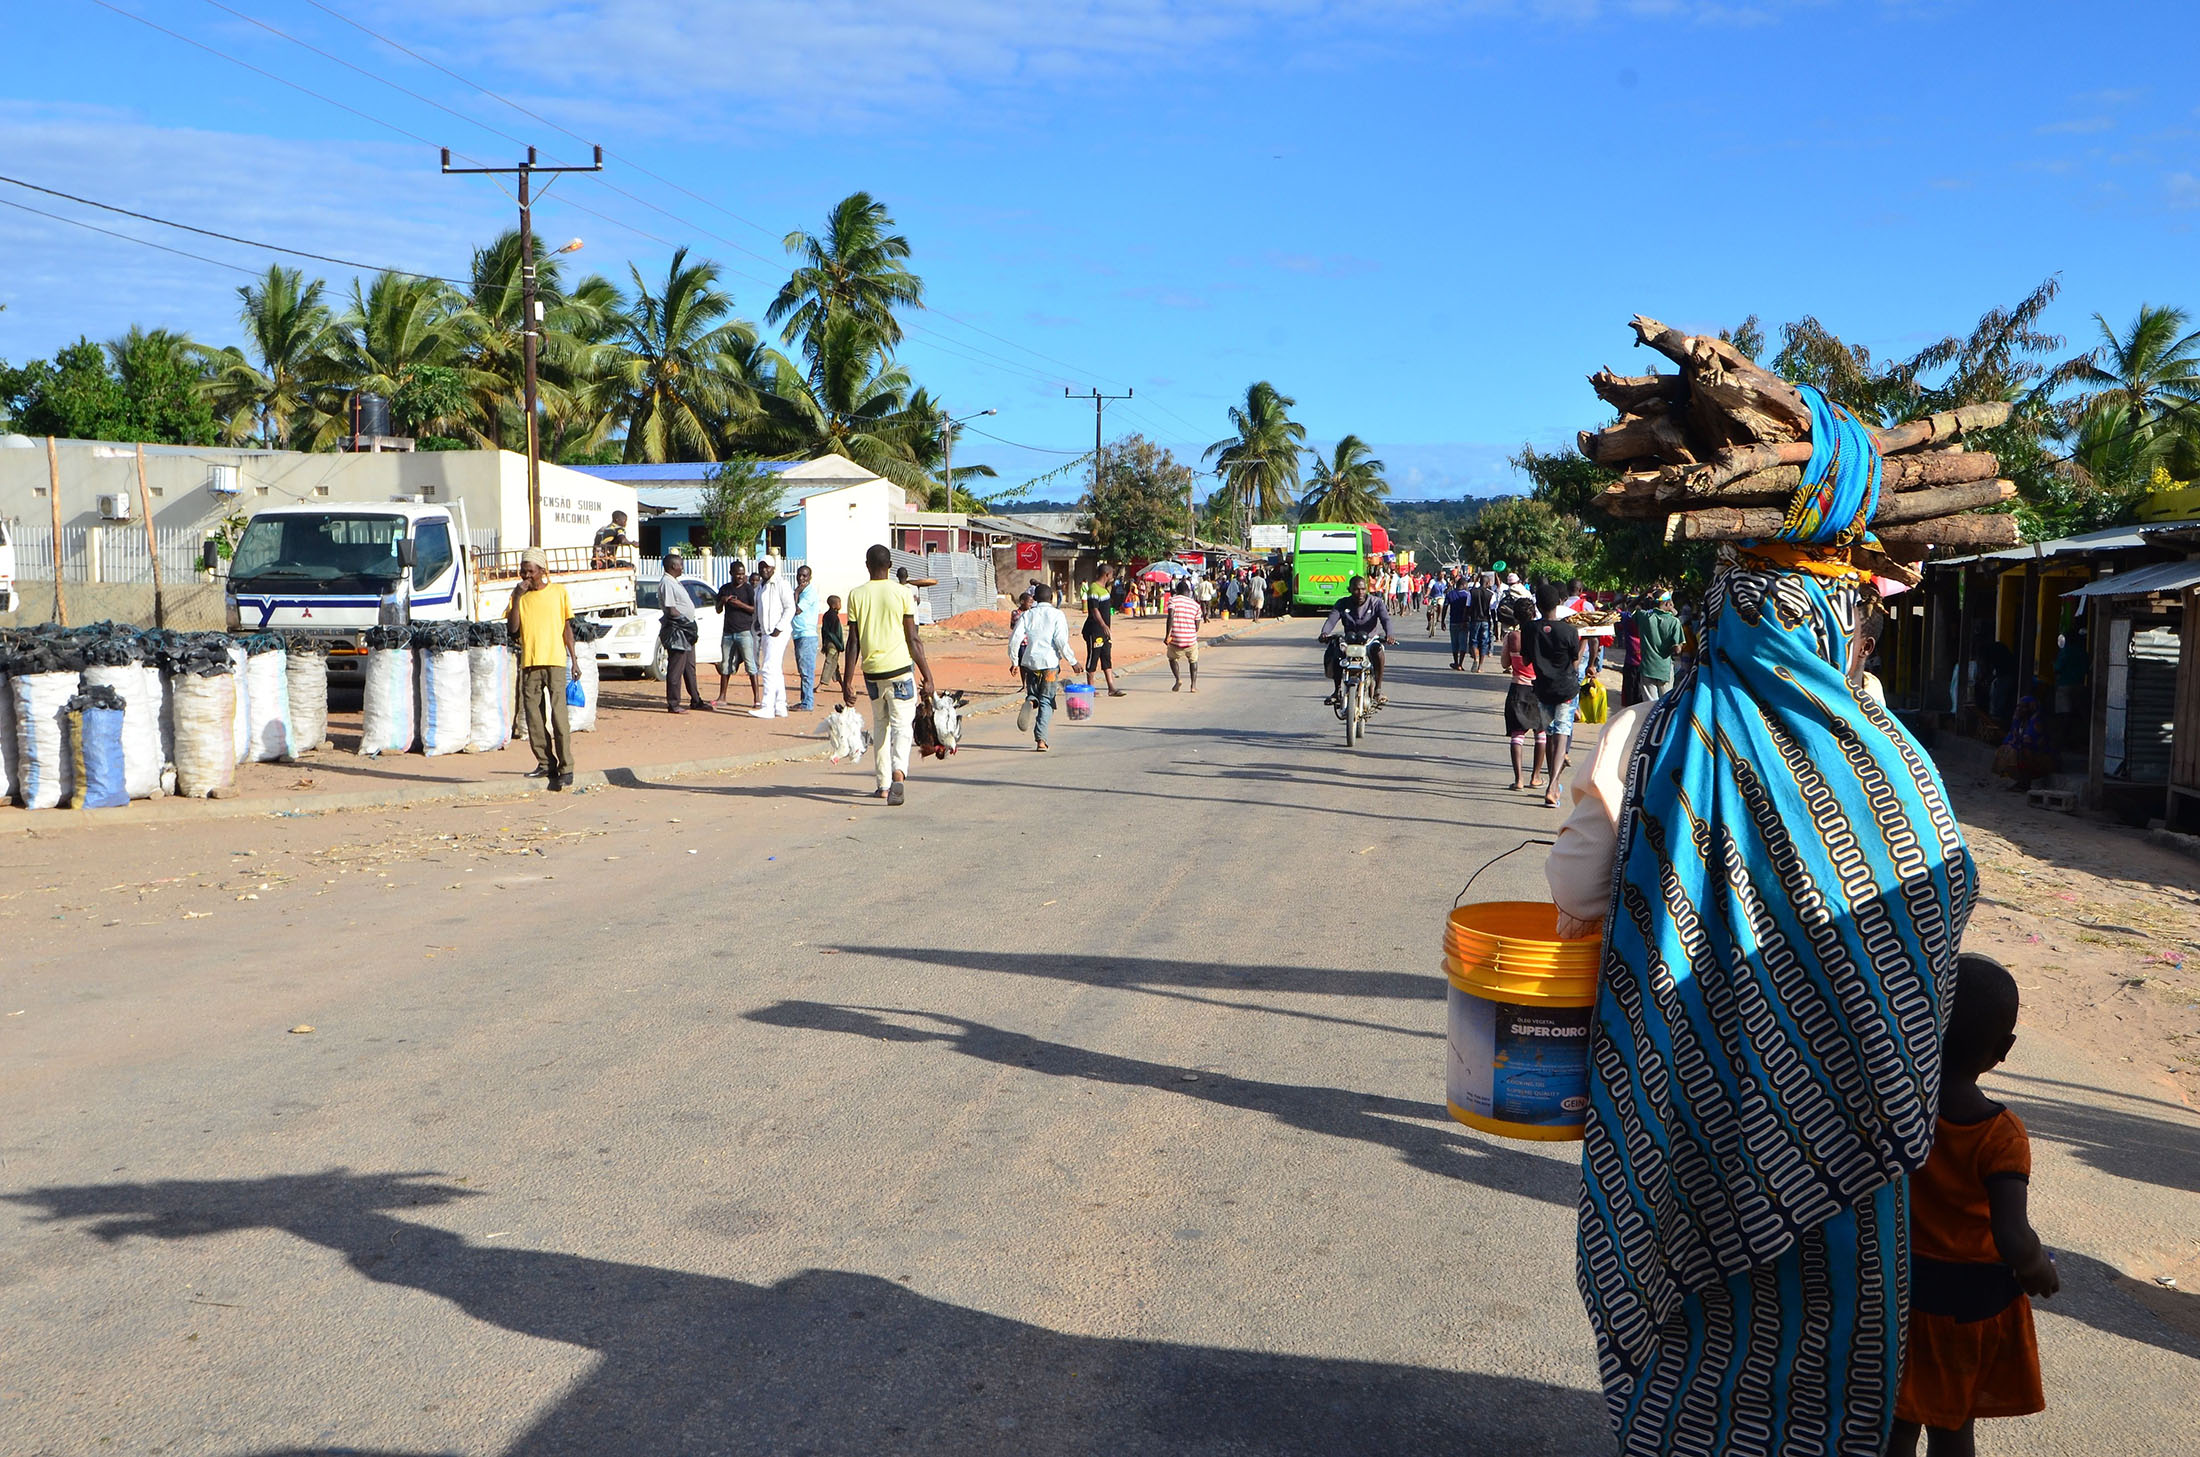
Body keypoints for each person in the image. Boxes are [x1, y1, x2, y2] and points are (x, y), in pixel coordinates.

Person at [1543, 391, 1977, 1457]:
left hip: (1672, 1096)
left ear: (1724, 609)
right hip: (1846, 1125)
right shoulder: (1893, 751)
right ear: (1837, 622)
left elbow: (1576, 895)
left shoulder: (1647, 736)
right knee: (1828, 1335)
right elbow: (1941, 900)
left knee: (1683, 1315)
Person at [1890, 953, 2056, 1457]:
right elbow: (2011, 1234)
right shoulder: (1999, 1134)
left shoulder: (1901, 1106)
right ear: (2002, 1049)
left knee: (1896, 1423)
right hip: (1969, 1302)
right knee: (1953, 1425)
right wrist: (2036, 1268)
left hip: (1901, 1292)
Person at [842, 544, 936, 806]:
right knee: (902, 726)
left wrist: (847, 681)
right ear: (891, 565)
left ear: (867, 565)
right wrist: (928, 675)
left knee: (880, 725)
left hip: (872, 673)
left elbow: (853, 642)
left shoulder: (856, 595)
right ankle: (898, 775)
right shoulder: (902, 593)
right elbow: (913, 639)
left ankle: (883, 785)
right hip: (900, 671)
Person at [506, 547, 577, 790]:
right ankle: (546, 763)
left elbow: (567, 628)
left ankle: (567, 768)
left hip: (555, 661)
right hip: (530, 663)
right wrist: (516, 598)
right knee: (534, 718)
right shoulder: (519, 597)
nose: (526, 576)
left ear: (542, 571)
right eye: (523, 571)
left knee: (559, 717)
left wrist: (574, 659)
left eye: (530, 571)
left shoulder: (558, 592)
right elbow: (513, 629)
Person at [1524, 581, 1581, 808]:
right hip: (1565, 689)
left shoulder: (1529, 629)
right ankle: (1553, 784)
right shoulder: (1569, 631)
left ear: (1537, 605)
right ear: (1559, 602)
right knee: (1562, 734)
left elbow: (1527, 660)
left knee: (1548, 734)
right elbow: (1575, 662)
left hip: (1543, 689)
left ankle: (1552, 783)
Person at [1007, 581, 1076, 750]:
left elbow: (1015, 639)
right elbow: (1060, 640)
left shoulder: (1027, 615)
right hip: (1050, 665)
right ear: (1051, 598)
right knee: (1046, 699)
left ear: (1035, 599)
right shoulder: (1057, 615)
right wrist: (1073, 661)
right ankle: (1041, 740)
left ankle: (1030, 702)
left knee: (1033, 694)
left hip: (1030, 664)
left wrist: (1014, 661)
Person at [1319, 574, 1395, 707]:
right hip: (1349, 641)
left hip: (1370, 640)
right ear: (1350, 590)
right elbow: (1332, 619)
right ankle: (1337, 691)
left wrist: (1389, 634)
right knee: (1336, 653)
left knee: (1379, 653)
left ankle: (1378, 690)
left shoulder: (1376, 602)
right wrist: (1325, 633)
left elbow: (1385, 620)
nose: (1360, 593)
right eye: (1356, 589)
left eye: (1363, 589)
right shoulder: (1342, 603)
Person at [1500, 597, 1547, 791]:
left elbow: (1505, 664)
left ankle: (1518, 780)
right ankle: (1535, 777)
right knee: (1541, 733)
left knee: (1517, 734)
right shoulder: (1542, 635)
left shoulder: (1512, 637)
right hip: (1539, 689)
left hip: (1518, 688)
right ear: (1534, 613)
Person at [658, 551, 710, 714]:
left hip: (685, 631)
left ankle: (696, 700)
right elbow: (671, 609)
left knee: (689, 667)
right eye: (680, 564)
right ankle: (673, 703)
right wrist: (686, 623)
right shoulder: (667, 583)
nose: (682, 567)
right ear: (673, 566)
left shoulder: (675, 582)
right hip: (677, 630)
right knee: (676, 668)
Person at [748, 558, 795, 719]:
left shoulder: (781, 584)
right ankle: (781, 705)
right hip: (766, 631)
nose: (764, 570)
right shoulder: (760, 587)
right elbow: (758, 609)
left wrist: (779, 627)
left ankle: (767, 706)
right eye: (761, 567)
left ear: (773, 568)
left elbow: (790, 608)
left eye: (767, 567)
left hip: (777, 632)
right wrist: (756, 624)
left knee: (768, 668)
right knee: (775, 669)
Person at [714, 561, 759, 709]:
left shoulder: (748, 590)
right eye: (737, 574)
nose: (740, 577)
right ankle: (722, 696)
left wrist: (740, 604)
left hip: (744, 632)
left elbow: (754, 610)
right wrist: (723, 601)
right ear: (731, 573)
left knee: (750, 665)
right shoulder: (725, 589)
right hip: (728, 632)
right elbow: (718, 610)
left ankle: (756, 699)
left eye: (742, 574)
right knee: (725, 665)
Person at [1992, 695, 2056, 792]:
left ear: (2029, 708)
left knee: (2022, 752)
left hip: (2043, 758)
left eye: (2022, 707)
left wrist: (2015, 744)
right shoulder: (2020, 722)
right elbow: (2009, 739)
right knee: (2005, 749)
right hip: (2028, 754)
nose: (2018, 709)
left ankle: (2025, 783)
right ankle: (2021, 781)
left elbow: (2030, 742)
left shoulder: (2036, 722)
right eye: (2018, 706)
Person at [1082, 566, 1127, 698]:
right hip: (1094, 630)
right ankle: (1091, 687)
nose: (1113, 576)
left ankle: (1111, 687)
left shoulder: (1104, 590)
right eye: (1112, 574)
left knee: (1106, 656)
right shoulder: (1094, 589)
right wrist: (1102, 625)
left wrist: (1107, 628)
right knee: (1093, 657)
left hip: (1105, 631)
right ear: (1106, 574)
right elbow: (1094, 610)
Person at [1635, 589, 1683, 701]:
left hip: (1647, 668)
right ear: (1667, 603)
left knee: (1649, 705)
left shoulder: (1644, 617)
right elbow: (1677, 649)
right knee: (1665, 704)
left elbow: (1631, 607)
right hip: (1664, 669)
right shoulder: (1674, 622)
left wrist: (1643, 594)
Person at [790, 563, 824, 713]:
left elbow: (796, 610)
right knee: (803, 670)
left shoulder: (808, 593)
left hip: (807, 636)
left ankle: (807, 703)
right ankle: (804, 700)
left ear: (810, 577)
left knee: (806, 671)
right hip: (798, 634)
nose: (801, 578)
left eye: (804, 575)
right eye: (799, 575)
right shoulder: (801, 592)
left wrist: (796, 593)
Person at [1164, 578, 1202, 692]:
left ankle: (1178, 679)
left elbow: (1170, 616)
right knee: (1193, 660)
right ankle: (1193, 685)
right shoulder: (1196, 605)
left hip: (1176, 639)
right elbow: (1197, 626)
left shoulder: (1173, 600)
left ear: (1177, 590)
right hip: (1190, 639)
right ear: (1189, 591)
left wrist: (1167, 635)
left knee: (1172, 658)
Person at [1444, 572, 1477, 670]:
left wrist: (1442, 621)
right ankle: (1460, 664)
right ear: (1463, 585)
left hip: (1453, 621)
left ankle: (1455, 662)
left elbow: (1445, 607)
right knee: (1463, 643)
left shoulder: (1450, 594)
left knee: (1454, 643)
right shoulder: (1467, 595)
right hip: (1465, 622)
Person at [819, 595, 846, 689]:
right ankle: (821, 685)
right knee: (830, 662)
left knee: (834, 664)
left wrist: (823, 644)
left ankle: (843, 685)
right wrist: (840, 645)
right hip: (833, 644)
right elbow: (836, 633)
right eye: (839, 602)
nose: (840, 604)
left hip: (827, 643)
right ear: (834, 605)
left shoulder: (826, 615)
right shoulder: (834, 617)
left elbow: (823, 630)